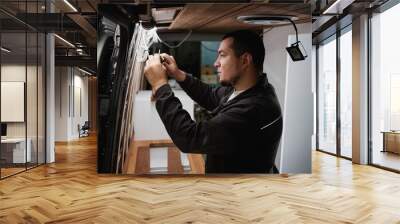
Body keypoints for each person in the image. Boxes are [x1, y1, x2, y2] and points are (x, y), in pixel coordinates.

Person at [144, 30, 282, 173]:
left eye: (222, 55)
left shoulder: (251, 110)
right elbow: (210, 95)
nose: (216, 63)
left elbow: (189, 137)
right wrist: (178, 74)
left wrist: (160, 84)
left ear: (245, 60)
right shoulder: (250, 90)